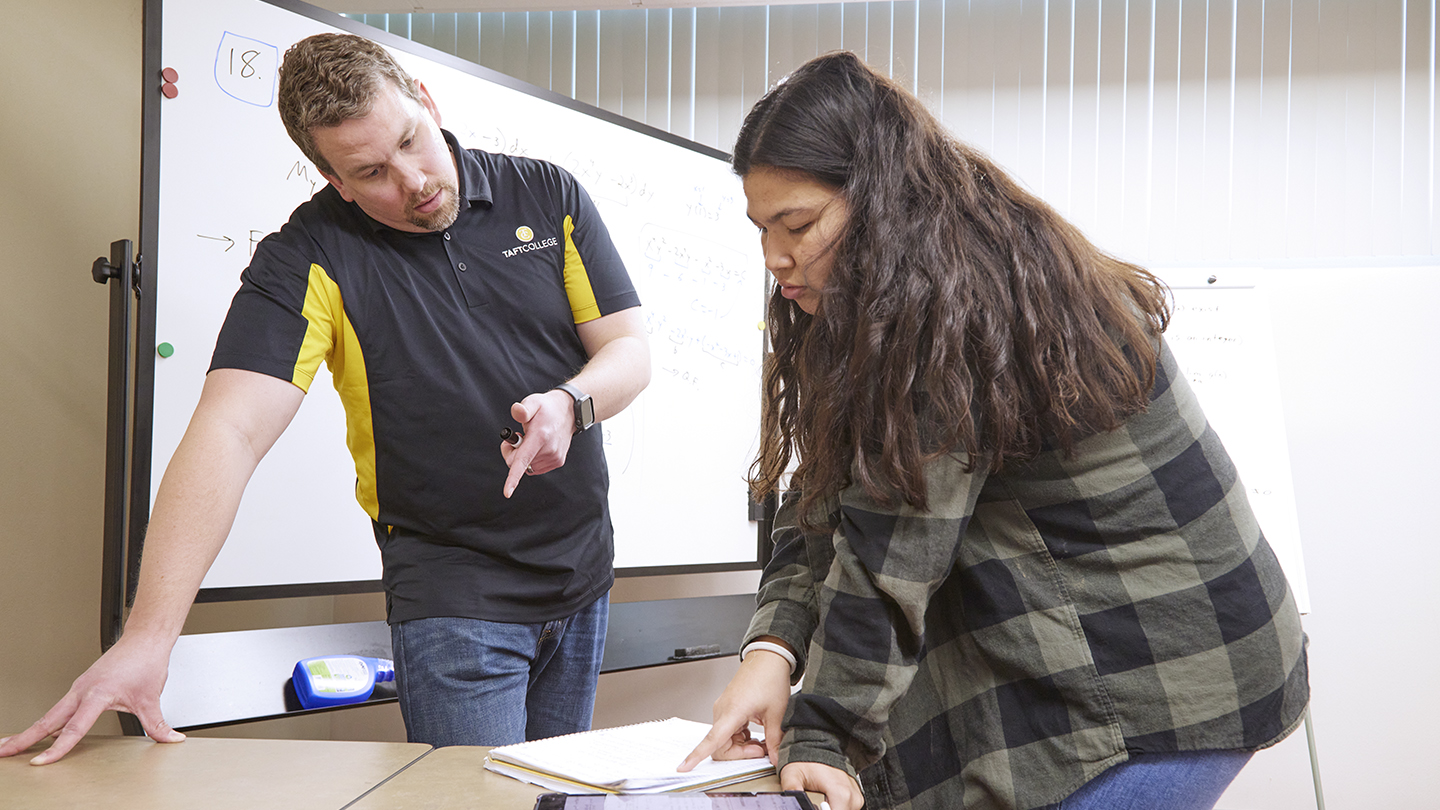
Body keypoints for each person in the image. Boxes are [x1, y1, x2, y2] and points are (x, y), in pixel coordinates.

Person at [680, 52, 1308, 810]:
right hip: (1099, 642)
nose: (775, 257)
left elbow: (891, 554)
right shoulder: (874, 291)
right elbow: (823, 496)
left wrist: (824, 737)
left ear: (877, 198)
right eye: (761, 228)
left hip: (1165, 670)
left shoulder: (952, 309)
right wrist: (772, 650)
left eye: (799, 225)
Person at [0, 32, 649, 764]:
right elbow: (230, 432)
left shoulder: (547, 193)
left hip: (584, 572)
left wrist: (570, 402)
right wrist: (148, 638)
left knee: (561, 790)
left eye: (411, 140)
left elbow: (626, 350)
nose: (413, 183)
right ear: (333, 180)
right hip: (453, 591)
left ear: (427, 103)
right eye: (370, 172)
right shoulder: (307, 258)